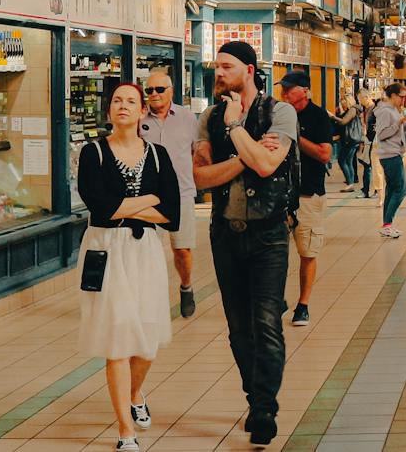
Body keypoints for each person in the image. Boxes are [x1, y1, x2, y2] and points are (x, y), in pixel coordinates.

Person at [192, 41, 298, 447]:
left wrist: (237, 131)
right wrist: (245, 155)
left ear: (249, 70)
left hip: (269, 235)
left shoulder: (280, 112)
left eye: (227, 66)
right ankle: (255, 398)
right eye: (217, 67)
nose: (219, 73)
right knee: (239, 329)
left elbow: (270, 164)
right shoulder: (210, 117)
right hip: (225, 233)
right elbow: (201, 178)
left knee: (267, 323)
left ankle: (265, 408)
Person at [76, 83, 181, 452]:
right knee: (118, 339)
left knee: (147, 341)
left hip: (146, 251)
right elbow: (99, 208)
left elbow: (173, 214)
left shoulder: (158, 154)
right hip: (105, 250)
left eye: (131, 101)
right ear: (109, 110)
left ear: (142, 111)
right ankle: (125, 431)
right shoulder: (93, 153)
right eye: (117, 101)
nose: (123, 106)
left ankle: (135, 393)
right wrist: (150, 198)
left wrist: (129, 204)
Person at [138, 67, 201, 318]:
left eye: (159, 89)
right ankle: (151, 299)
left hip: (182, 194)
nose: (154, 94)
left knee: (182, 249)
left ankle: (186, 287)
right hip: (147, 198)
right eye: (149, 90)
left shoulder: (187, 118)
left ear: (171, 91)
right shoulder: (139, 120)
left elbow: (198, 153)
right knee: (148, 251)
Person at [278, 71, 333, 327]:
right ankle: (276, 299)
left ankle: (303, 304)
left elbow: (324, 154)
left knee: (307, 252)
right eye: (283, 89)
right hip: (278, 194)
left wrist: (294, 137)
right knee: (274, 251)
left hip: (308, 194)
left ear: (305, 91)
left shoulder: (318, 116)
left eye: (289, 89)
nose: (284, 94)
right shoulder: (277, 114)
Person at [372, 84, 406, 235]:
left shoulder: (394, 110)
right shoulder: (385, 112)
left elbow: (396, 131)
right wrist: (398, 123)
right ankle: (387, 224)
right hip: (389, 154)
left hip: (394, 152)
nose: (403, 100)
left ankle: (387, 224)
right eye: (401, 96)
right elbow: (381, 134)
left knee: (392, 190)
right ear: (393, 96)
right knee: (401, 190)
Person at [332, 93, 363, 192]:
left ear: (347, 101)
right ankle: (351, 183)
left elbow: (343, 122)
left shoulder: (353, 109)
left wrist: (332, 116)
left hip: (349, 140)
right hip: (353, 139)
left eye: (343, 101)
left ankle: (350, 183)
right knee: (348, 161)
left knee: (341, 160)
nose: (342, 103)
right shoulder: (353, 110)